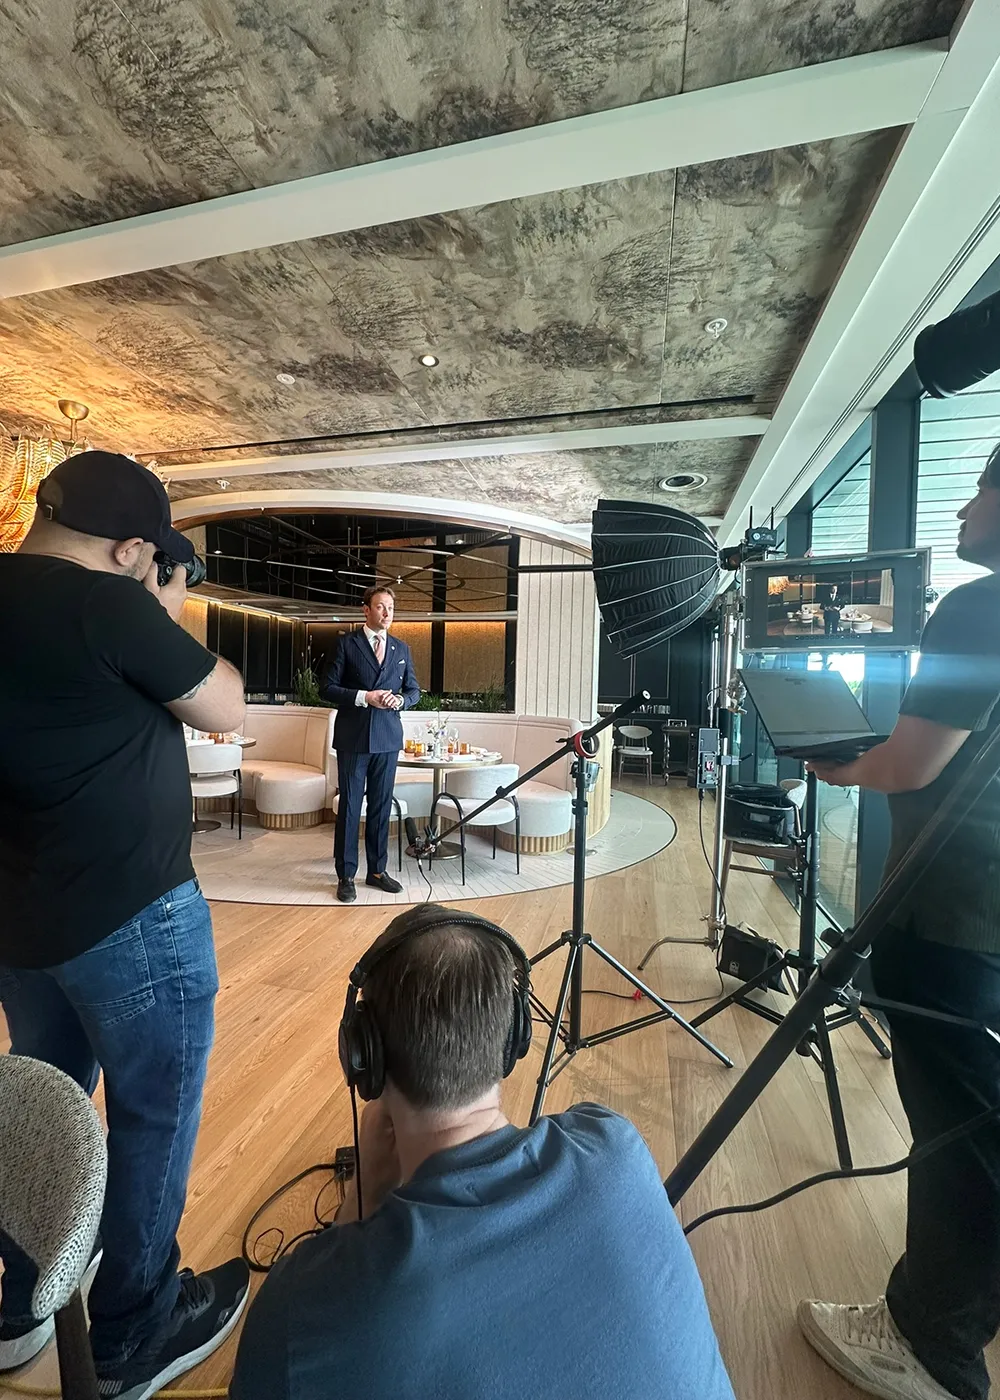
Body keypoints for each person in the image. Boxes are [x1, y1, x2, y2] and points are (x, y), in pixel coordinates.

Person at [229, 903, 736, 1400]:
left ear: (366, 1059)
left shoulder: (302, 1313)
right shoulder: (614, 1148)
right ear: (514, 1034)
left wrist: (364, 1192)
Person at [0, 452, 251, 1399]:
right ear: (134, 547)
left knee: (46, 1112)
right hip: (135, 919)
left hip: (21, 924)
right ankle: (134, 1327)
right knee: (152, 1114)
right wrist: (163, 610)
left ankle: (24, 1296)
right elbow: (223, 705)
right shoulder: (107, 606)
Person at [799, 441, 1000, 1400]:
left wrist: (841, 765)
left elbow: (912, 765)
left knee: (956, 1134)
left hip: (949, 918)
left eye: (980, 486)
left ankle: (929, 1346)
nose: (965, 504)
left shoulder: (980, 603)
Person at [321, 586, 420, 902]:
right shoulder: (346, 645)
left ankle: (377, 872)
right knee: (350, 808)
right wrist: (365, 697)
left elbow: (415, 691)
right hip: (353, 739)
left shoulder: (401, 649)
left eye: (391, 607)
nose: (387, 613)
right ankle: (346, 875)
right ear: (366, 610)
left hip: (388, 740)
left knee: (380, 808)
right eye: (380, 607)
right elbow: (327, 688)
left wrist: (400, 700)